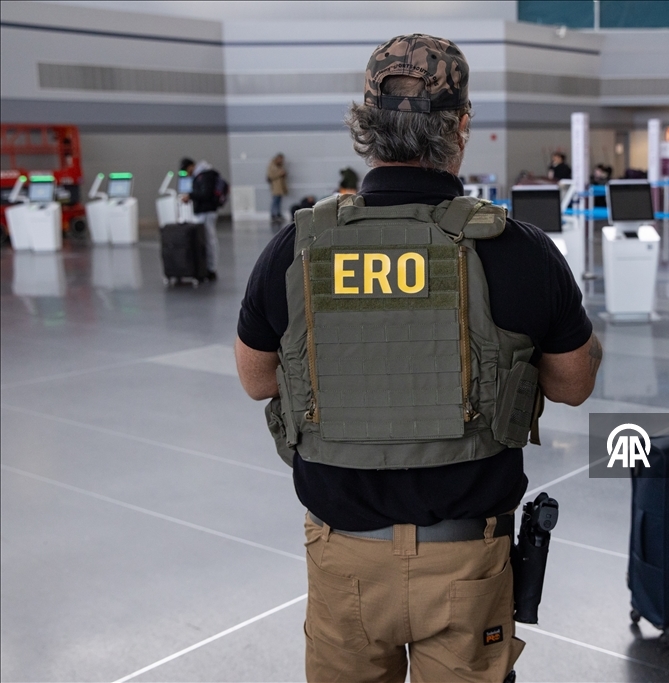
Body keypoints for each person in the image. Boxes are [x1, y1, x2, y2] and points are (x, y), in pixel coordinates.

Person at [234, 34, 600, 682]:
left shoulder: (296, 247)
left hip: (343, 560)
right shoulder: (518, 249)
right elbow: (573, 384)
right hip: (466, 561)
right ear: (460, 127)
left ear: (365, 126)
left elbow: (256, 379)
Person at [181, 158, 228, 280]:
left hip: (207, 212)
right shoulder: (202, 174)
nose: (187, 173)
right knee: (206, 239)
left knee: (209, 239)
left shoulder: (204, 175)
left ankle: (211, 268)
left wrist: (190, 196)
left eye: (186, 170)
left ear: (191, 166)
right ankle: (206, 267)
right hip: (205, 211)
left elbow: (205, 193)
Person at [267, 153, 288, 222]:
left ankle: (278, 214)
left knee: (279, 201)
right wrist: (280, 174)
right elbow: (270, 176)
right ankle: (273, 215)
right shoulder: (272, 166)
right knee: (275, 201)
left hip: (280, 186)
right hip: (275, 186)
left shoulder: (280, 166)